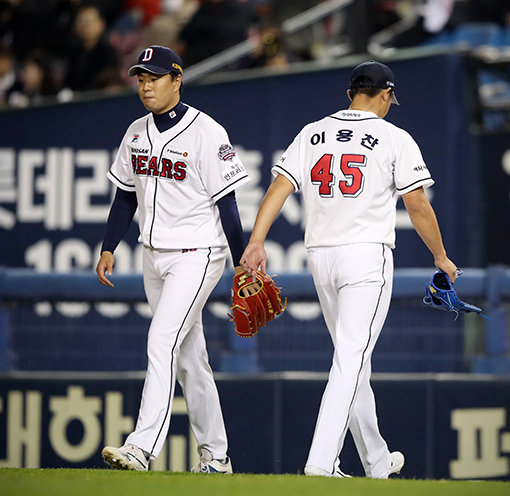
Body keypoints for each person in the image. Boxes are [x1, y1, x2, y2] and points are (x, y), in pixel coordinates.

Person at [240, 61, 458, 478]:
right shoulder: (394, 137)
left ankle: (376, 461)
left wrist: (256, 240)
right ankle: (321, 461)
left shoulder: (312, 132)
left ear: (349, 94)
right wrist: (441, 256)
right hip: (365, 256)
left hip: (320, 255)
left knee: (352, 359)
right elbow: (416, 203)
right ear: (385, 95)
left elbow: (279, 188)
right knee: (351, 359)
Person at [96, 45, 250, 473]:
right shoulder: (135, 132)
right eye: (141, 78)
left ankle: (141, 448)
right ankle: (216, 457)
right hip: (152, 256)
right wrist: (109, 246)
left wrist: (241, 261)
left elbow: (228, 203)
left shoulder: (207, 132)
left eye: (154, 77)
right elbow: (125, 196)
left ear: (176, 80)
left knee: (160, 341)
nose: (145, 85)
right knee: (188, 358)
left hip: (197, 254)